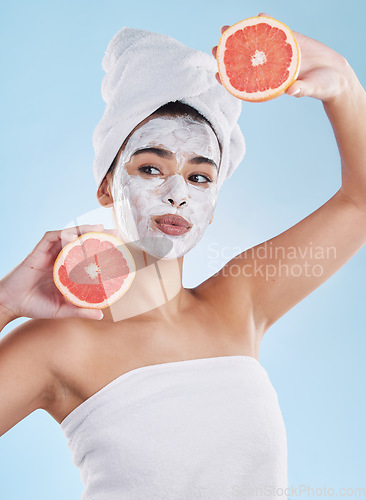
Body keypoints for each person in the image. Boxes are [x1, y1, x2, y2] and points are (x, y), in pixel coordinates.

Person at [1, 13, 365, 500]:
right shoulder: (59, 344)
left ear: (213, 205)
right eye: (151, 167)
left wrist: (343, 82)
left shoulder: (239, 303)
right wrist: (4, 304)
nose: (177, 194)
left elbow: (360, 203)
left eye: (199, 177)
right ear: (108, 186)